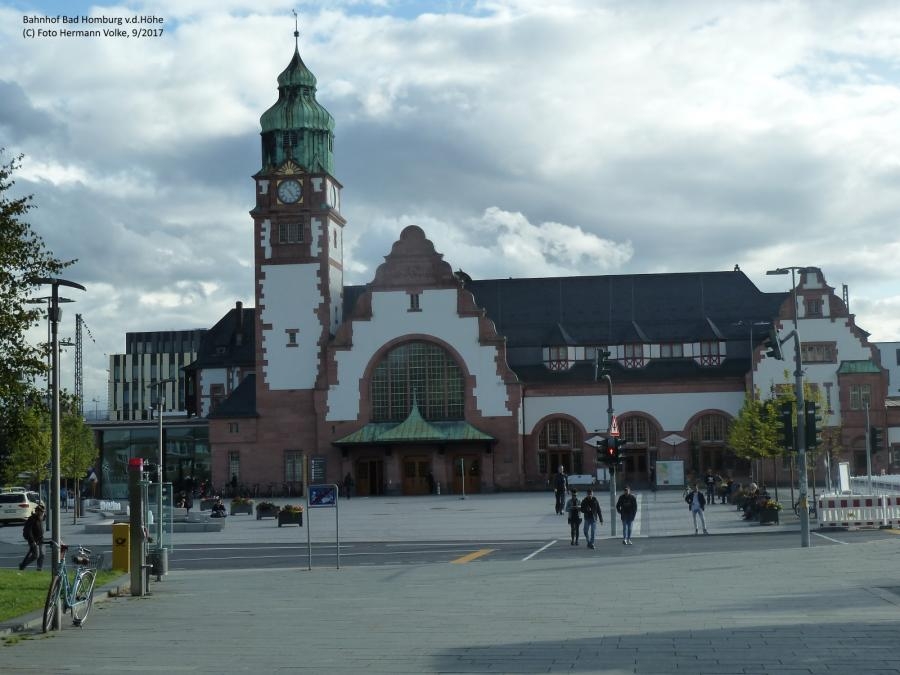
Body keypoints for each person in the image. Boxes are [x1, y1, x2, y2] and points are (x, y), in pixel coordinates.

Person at [19, 503, 46, 571]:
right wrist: (32, 541)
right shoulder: (32, 519)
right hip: (33, 539)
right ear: (37, 511)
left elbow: (44, 517)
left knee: (42, 554)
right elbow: (29, 531)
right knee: (35, 555)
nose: (42, 513)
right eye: (41, 511)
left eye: (43, 512)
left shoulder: (41, 517)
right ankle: (23, 565)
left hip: (40, 539)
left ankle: (39, 568)